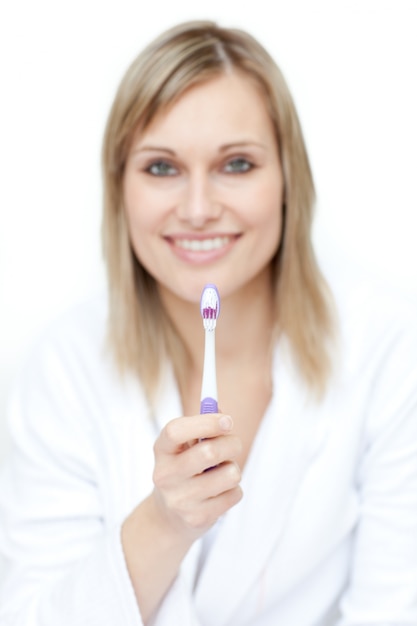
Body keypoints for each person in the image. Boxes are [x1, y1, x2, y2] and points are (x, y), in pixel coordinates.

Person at [0, 19, 416, 626]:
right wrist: (165, 522)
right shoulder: (63, 369)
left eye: (237, 164)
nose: (197, 210)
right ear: (120, 188)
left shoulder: (388, 347)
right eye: (162, 168)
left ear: (287, 182)